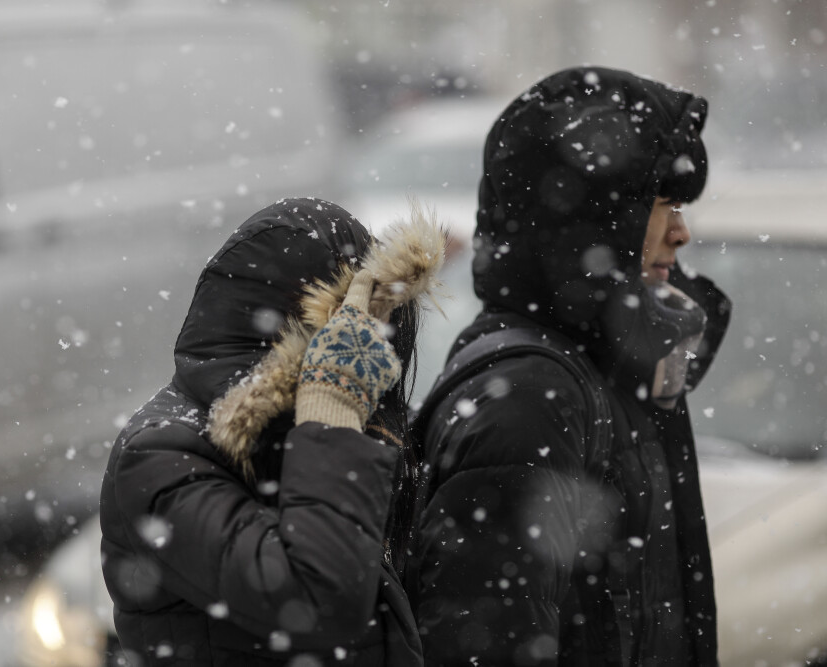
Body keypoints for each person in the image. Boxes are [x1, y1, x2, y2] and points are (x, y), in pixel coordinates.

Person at [405, 66, 731, 666]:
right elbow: (484, 644)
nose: (682, 233)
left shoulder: (622, 365)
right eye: (661, 205)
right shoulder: (529, 398)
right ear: (593, 221)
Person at [100, 197, 444, 666]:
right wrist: (332, 408)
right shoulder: (160, 456)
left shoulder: (325, 437)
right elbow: (320, 601)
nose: (374, 366)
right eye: (359, 332)